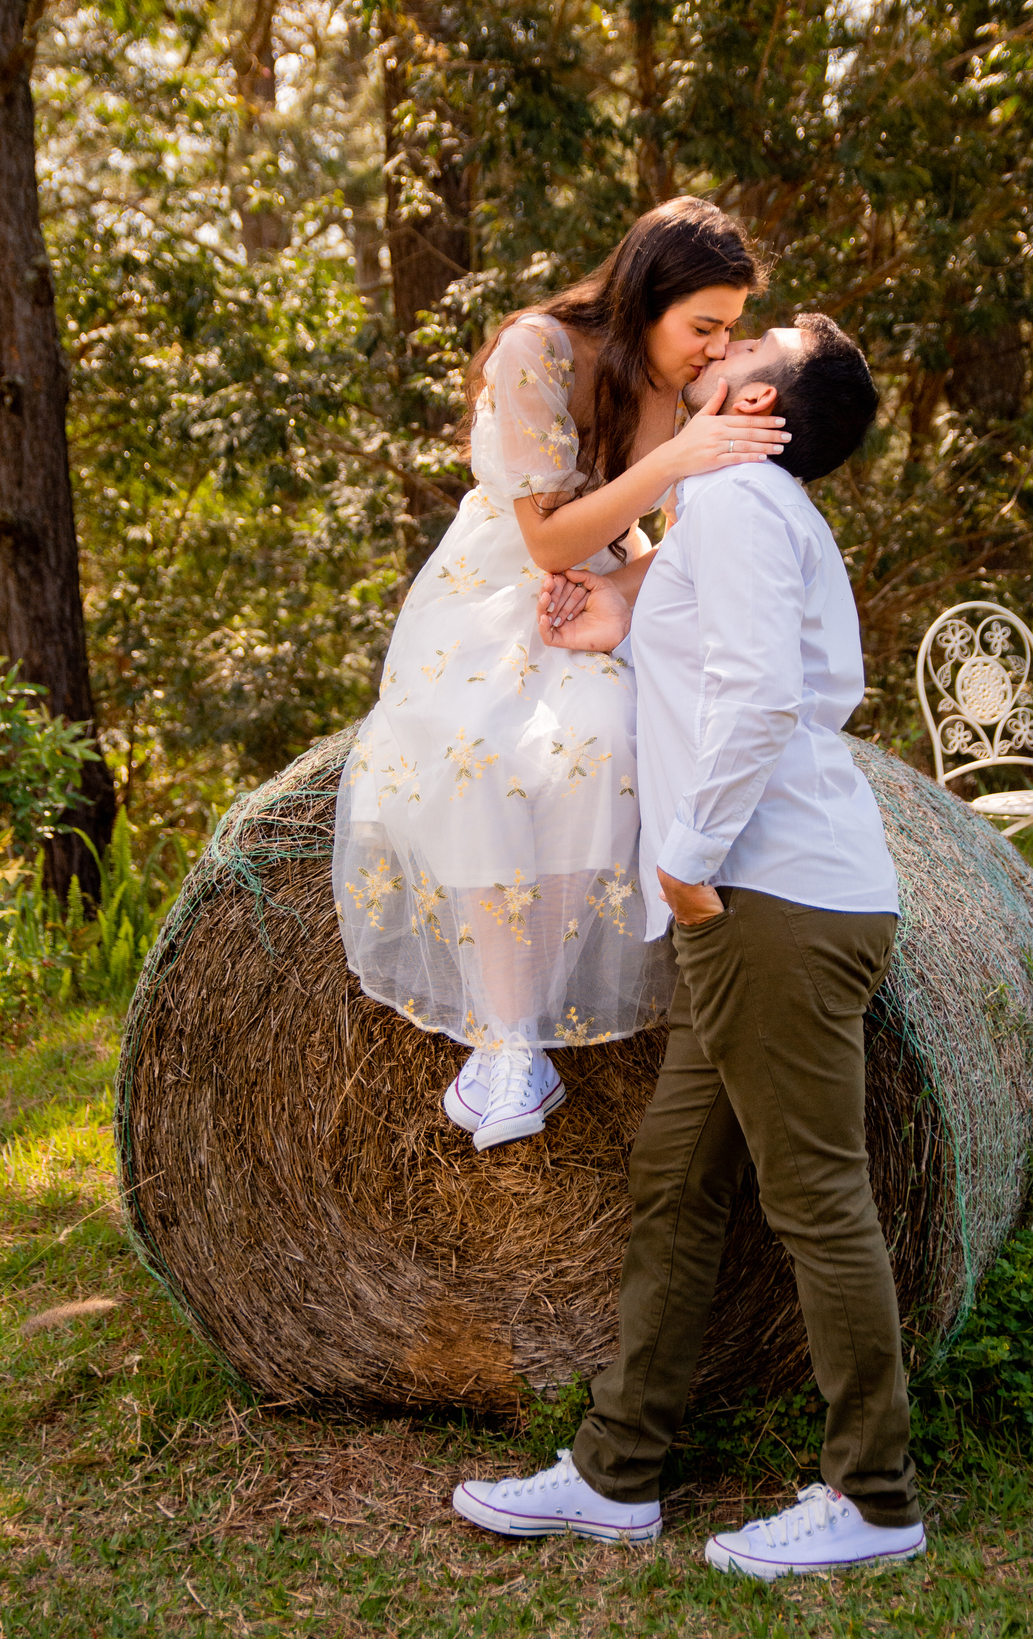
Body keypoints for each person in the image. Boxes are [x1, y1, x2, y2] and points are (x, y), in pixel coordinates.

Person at [452, 314, 927, 1578]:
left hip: (768, 894)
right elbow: (731, 665)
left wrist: (687, 858)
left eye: (750, 339)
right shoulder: (741, 510)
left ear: (762, 395)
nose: (714, 351)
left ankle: (875, 1498)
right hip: (755, 897)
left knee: (816, 1196)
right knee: (674, 1178)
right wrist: (616, 622)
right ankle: (619, 1474)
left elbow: (771, 693)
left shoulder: (734, 500)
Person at [332, 199, 787, 1152]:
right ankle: (510, 1046)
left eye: (730, 331)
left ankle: (517, 1023)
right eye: (702, 326)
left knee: (606, 742)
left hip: (606, 588)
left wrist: (625, 576)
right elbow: (542, 538)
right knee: (477, 759)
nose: (715, 349)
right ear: (645, 299)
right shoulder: (536, 349)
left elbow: (686, 535)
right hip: (494, 587)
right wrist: (678, 457)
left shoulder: (688, 392)